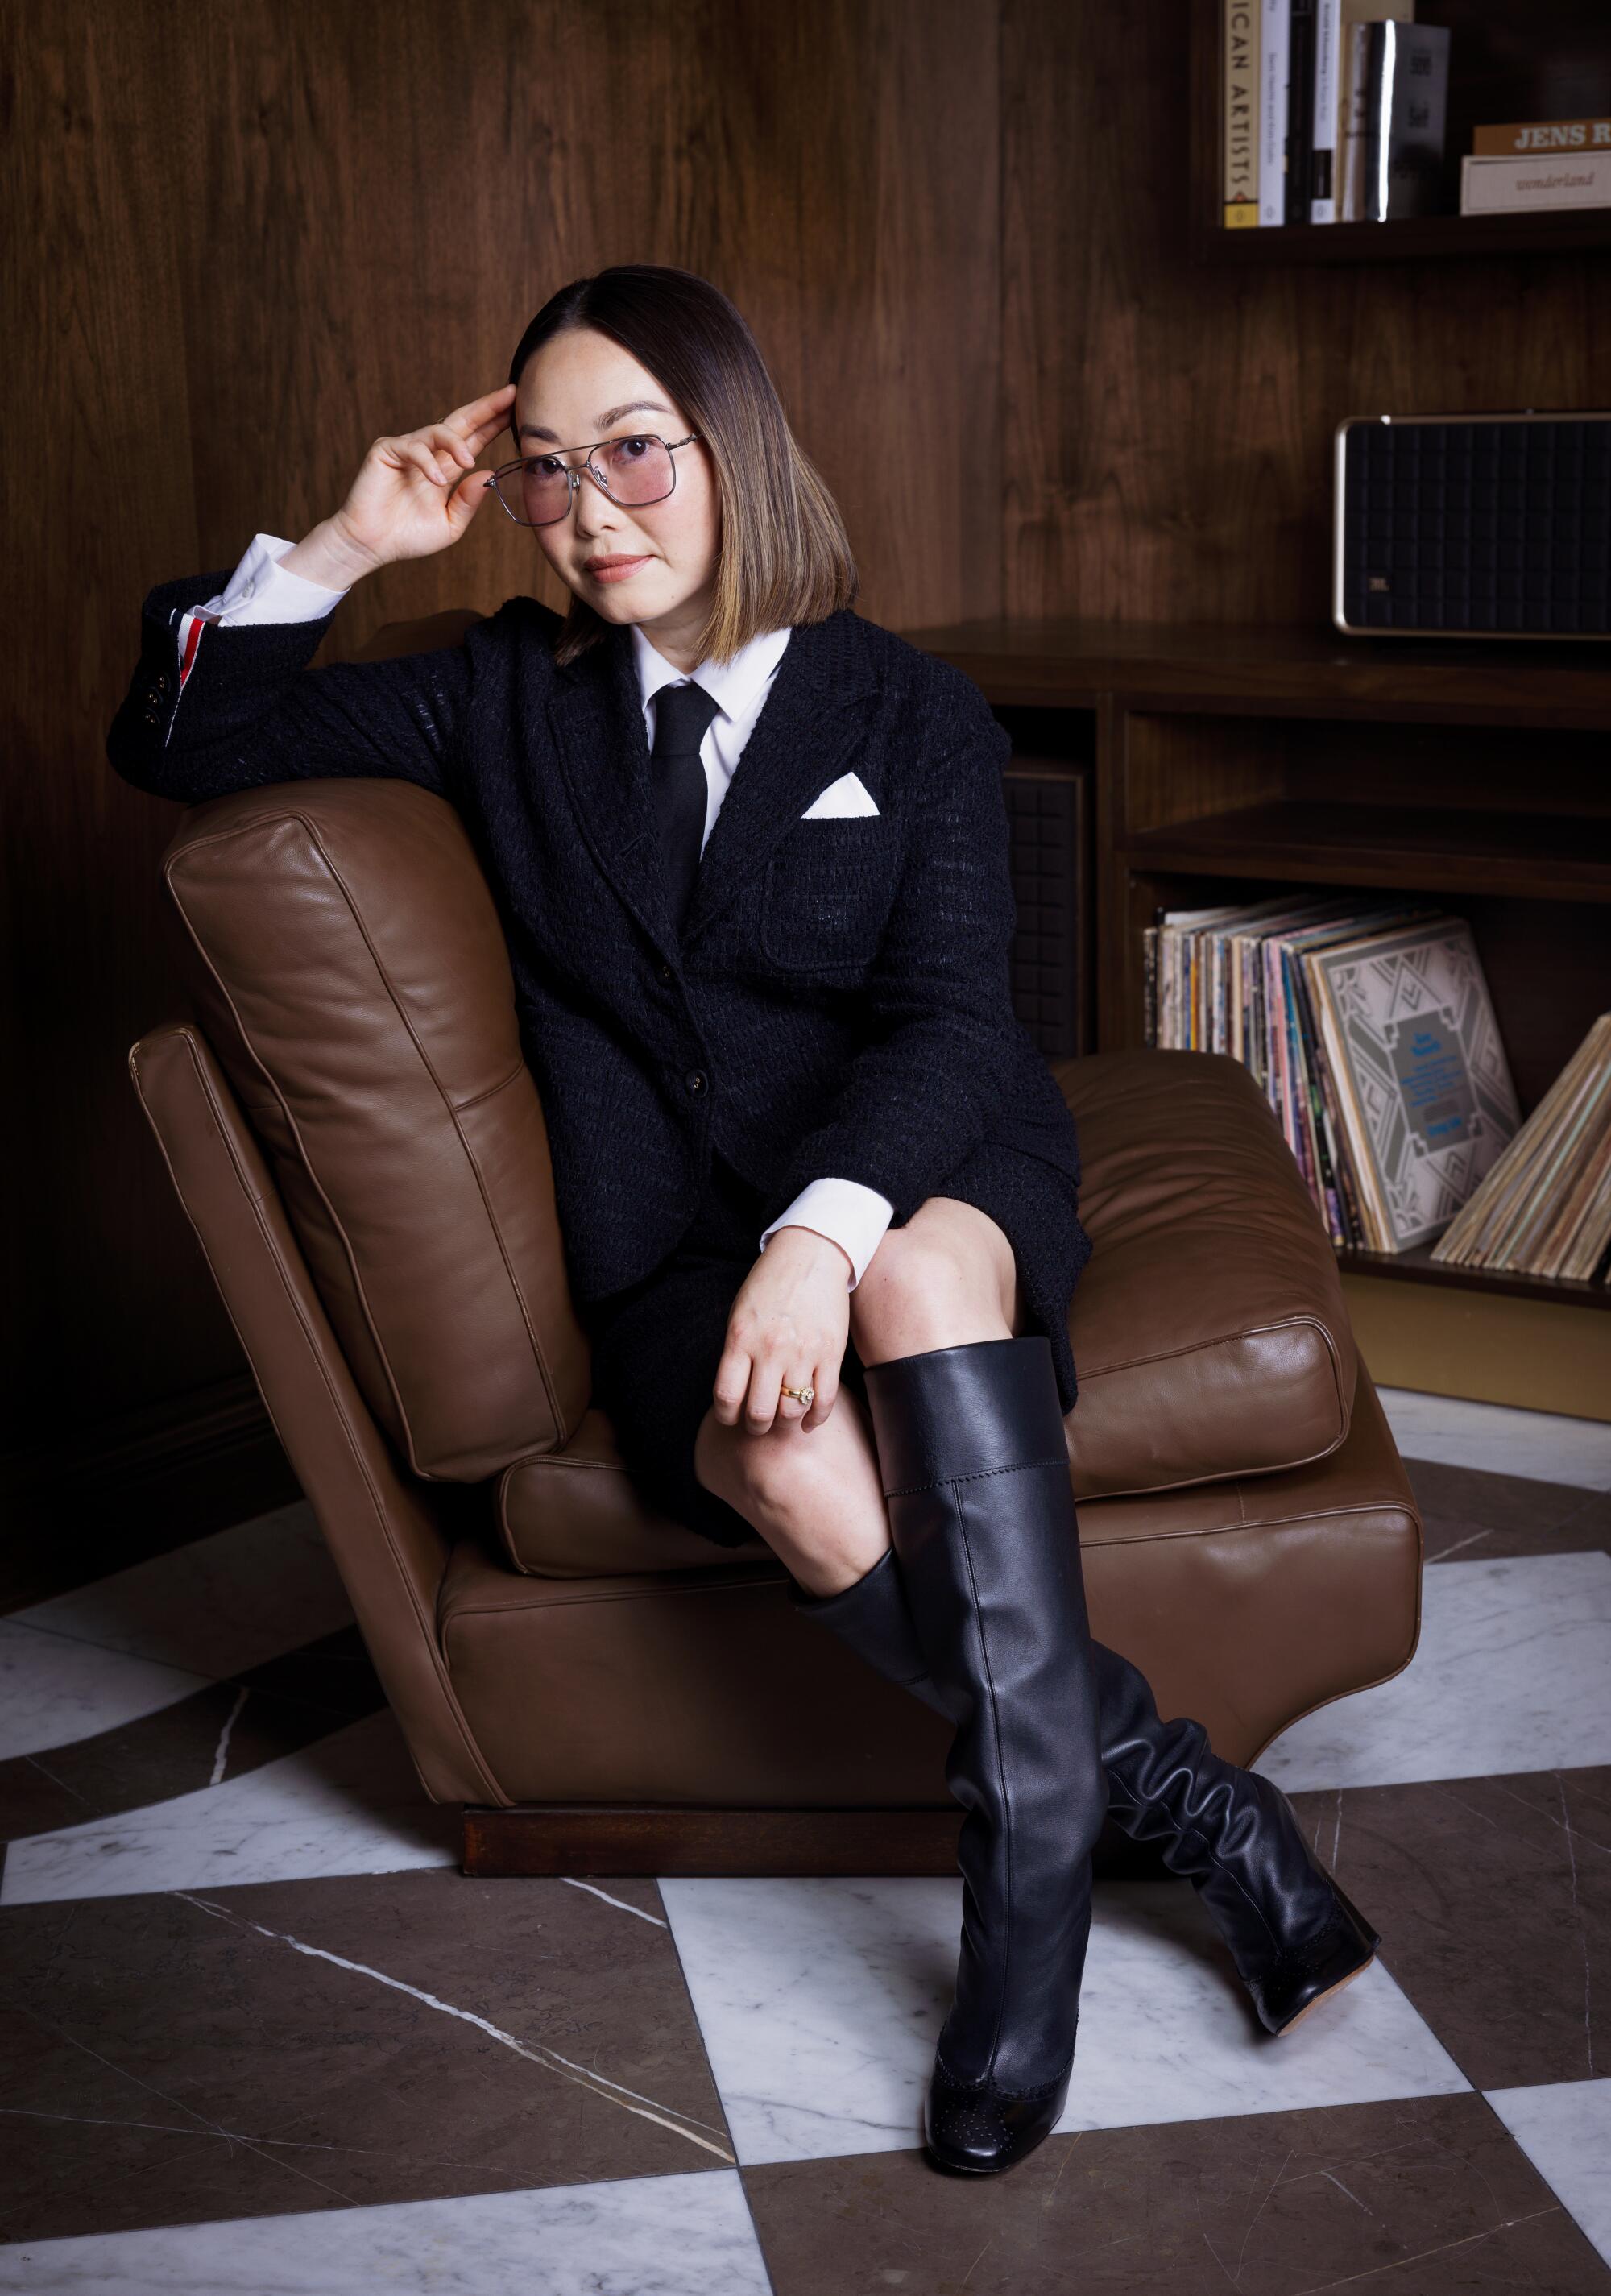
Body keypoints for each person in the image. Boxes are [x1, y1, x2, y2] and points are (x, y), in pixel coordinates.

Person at [107, 263, 1378, 2178]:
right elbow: (184, 748)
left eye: (633, 452)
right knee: (784, 1472)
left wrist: (827, 1232)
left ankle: (1018, 1935)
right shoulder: (496, 696)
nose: (589, 509)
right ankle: (1198, 1814)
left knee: (925, 1276)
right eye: (543, 471)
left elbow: (953, 1019)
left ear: (733, 449)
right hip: (670, 1238)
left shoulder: (909, 706)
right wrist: (347, 540)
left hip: (919, 1158)